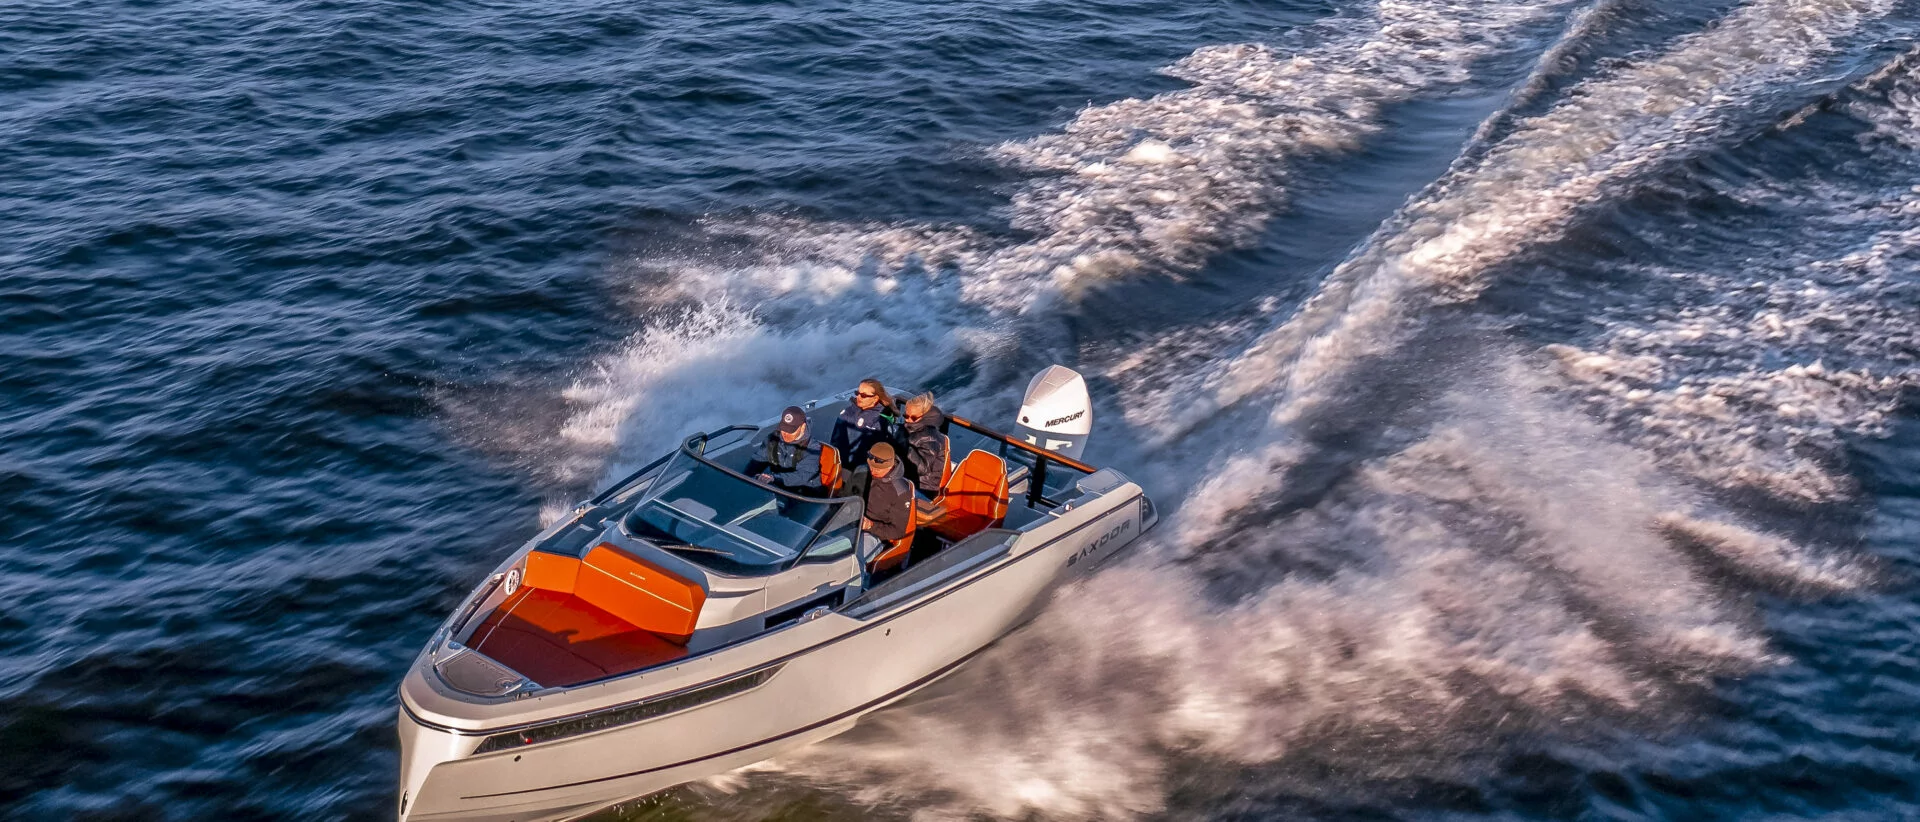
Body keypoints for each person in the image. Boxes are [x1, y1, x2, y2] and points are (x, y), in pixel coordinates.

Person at [744, 406, 826, 495]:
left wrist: (774, 478)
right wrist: (750, 476)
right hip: (779, 488)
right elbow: (759, 459)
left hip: (805, 492)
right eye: (784, 429)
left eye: (791, 431)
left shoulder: (812, 448)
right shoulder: (772, 439)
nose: (785, 434)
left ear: (802, 427)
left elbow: (803, 475)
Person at [831, 378, 898, 467]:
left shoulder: (880, 422)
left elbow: (879, 453)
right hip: (836, 462)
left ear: (875, 398)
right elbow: (835, 439)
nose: (858, 397)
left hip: (862, 468)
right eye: (857, 393)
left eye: (863, 395)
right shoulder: (847, 412)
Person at [860, 442, 914, 550]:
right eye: (871, 467)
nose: (873, 471)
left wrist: (871, 525)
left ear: (890, 466)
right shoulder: (862, 471)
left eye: (878, 469)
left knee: (852, 556)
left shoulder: (900, 492)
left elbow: (898, 531)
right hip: (851, 524)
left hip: (874, 535)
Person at [900, 392, 949, 499]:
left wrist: (906, 448)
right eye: (905, 416)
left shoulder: (930, 437)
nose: (908, 420)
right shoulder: (910, 428)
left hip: (924, 488)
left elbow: (923, 468)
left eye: (913, 418)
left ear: (924, 416)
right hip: (908, 478)